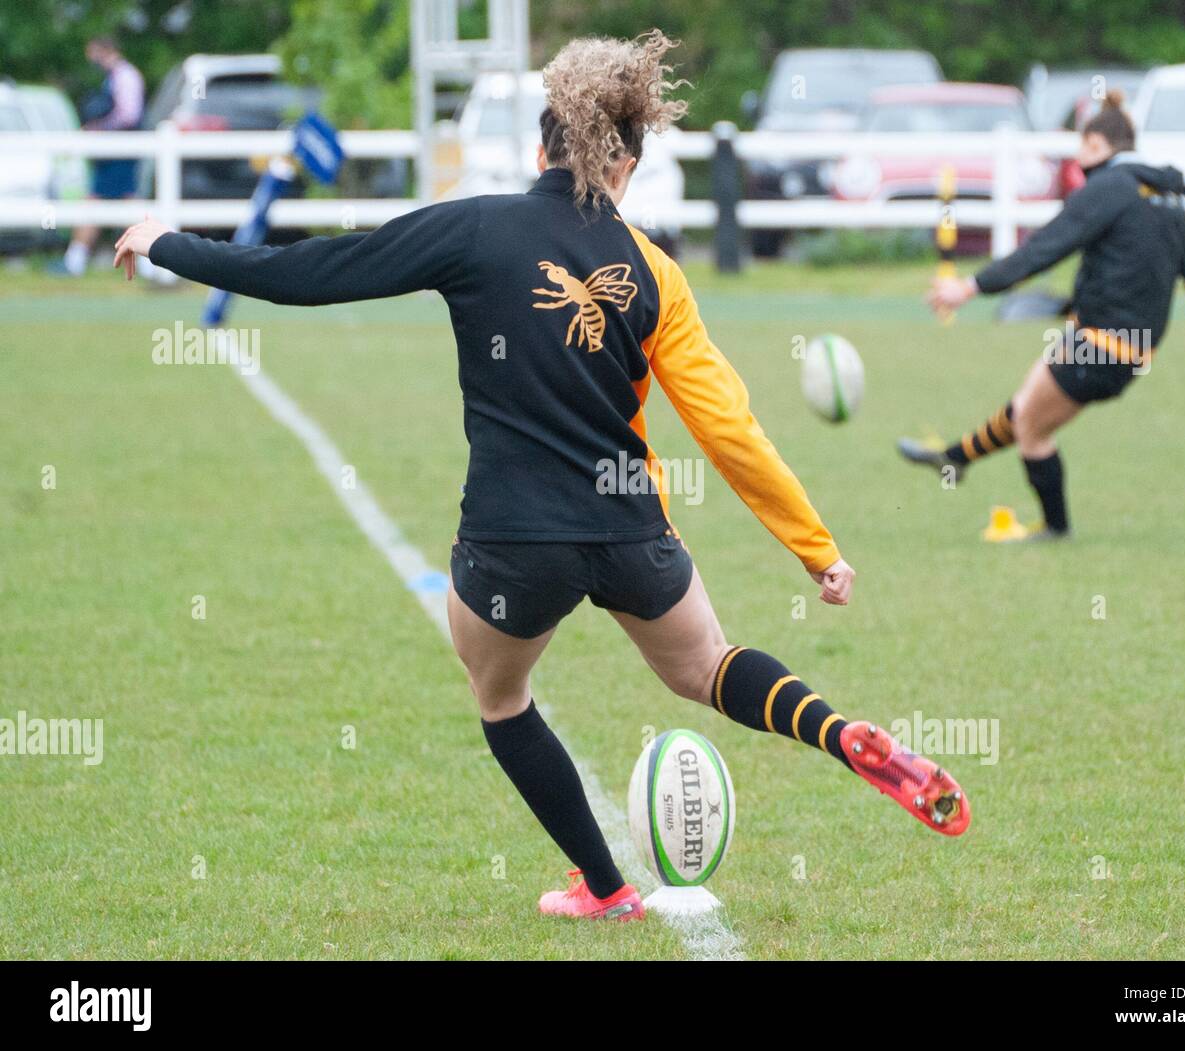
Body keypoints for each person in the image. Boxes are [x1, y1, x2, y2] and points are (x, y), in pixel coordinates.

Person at [114, 31, 970, 922]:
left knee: (500, 692)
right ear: (627, 161)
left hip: (511, 541)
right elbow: (729, 428)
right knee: (708, 665)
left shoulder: (472, 225)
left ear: (540, 146)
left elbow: (315, 270)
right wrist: (815, 549)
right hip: (634, 531)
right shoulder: (656, 272)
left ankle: (604, 886)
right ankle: (839, 732)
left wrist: (172, 243)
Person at [904, 90, 1185, 540]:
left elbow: (1046, 246)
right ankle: (956, 458)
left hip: (1101, 345)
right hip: (1122, 346)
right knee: (1026, 408)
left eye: (1081, 147)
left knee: (1031, 430)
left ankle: (1055, 530)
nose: (1078, 159)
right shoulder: (1168, 200)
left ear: (1097, 145)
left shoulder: (1107, 189)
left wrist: (970, 286)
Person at [55, 37, 146, 277]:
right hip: (114, 151)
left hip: (121, 150)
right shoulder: (113, 77)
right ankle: (150, 263)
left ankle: (75, 260)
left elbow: (128, 115)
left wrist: (99, 128)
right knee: (118, 203)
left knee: (103, 202)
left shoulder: (125, 76)